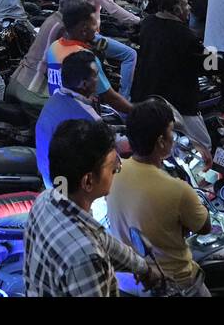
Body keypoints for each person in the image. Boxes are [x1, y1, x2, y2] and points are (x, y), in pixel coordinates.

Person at [23, 118, 160, 297]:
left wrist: (143, 268)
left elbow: (103, 240)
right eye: (112, 167)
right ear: (88, 181)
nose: (118, 169)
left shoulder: (46, 199)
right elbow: (92, 248)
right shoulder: (85, 257)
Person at [106, 97, 212, 296]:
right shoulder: (178, 189)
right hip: (172, 283)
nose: (173, 138)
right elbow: (204, 227)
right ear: (161, 142)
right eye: (171, 132)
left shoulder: (114, 171)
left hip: (126, 279)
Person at [129, 0, 213, 153]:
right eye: (186, 4)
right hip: (176, 102)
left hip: (144, 94)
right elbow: (210, 65)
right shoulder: (186, 36)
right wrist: (218, 58)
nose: (189, 8)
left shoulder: (147, 23)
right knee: (204, 144)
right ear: (176, 9)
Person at [36, 50, 107, 183]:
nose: (98, 79)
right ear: (84, 83)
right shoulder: (89, 117)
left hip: (49, 177)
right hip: (67, 189)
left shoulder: (54, 99)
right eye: (96, 75)